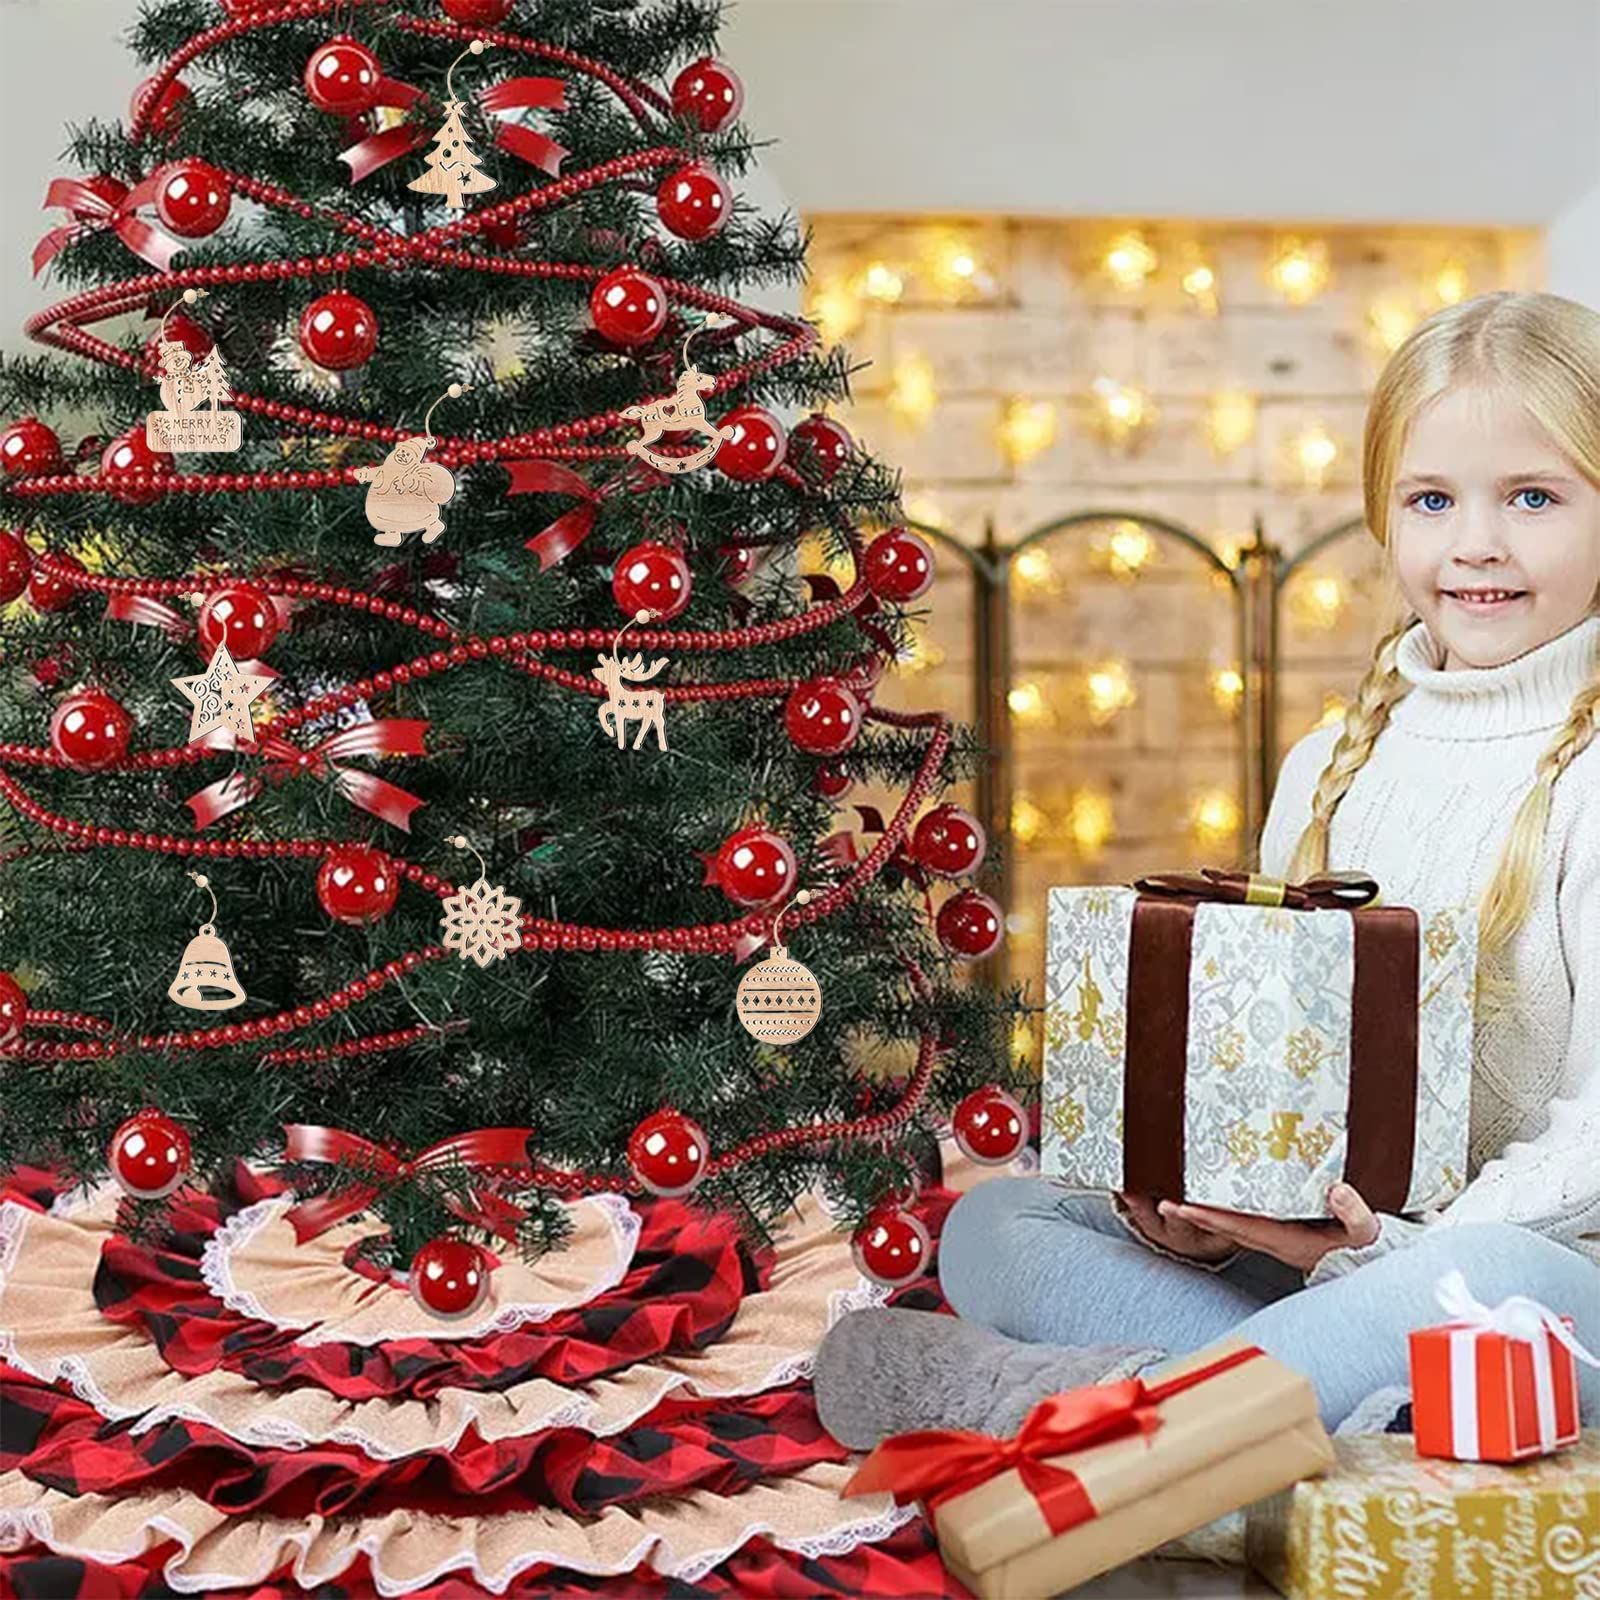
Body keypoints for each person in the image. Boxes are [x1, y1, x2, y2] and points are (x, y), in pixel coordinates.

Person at [813, 291, 1600, 1448]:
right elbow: (1290, 1072)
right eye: (1431, 500)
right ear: (1384, 516)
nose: (1473, 542)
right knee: (999, 1222)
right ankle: (1238, 1419)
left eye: (1531, 498)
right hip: (1326, 1269)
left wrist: (1386, 1252)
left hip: (1524, 1276)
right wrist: (1212, 1216)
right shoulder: (1334, 757)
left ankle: (1094, 1419)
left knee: (1482, 1276)